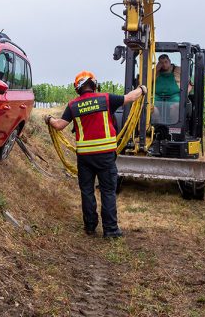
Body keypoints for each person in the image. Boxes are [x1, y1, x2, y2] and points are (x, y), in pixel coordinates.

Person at [45, 71, 146, 238]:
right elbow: (130, 98)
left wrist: (48, 119)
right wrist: (142, 89)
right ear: (93, 84)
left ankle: (90, 227)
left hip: (85, 157)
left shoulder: (73, 105)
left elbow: (59, 125)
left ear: (77, 88)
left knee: (87, 191)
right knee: (107, 191)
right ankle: (111, 230)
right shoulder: (106, 99)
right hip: (105, 156)